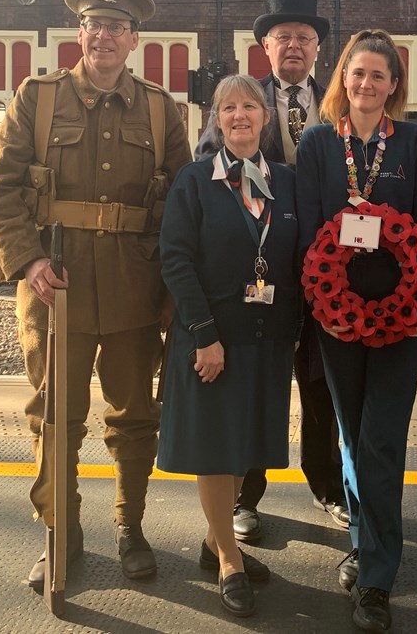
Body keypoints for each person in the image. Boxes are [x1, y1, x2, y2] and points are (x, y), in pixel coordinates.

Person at [0, 0, 191, 591]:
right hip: (55, 287)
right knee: (55, 417)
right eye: (93, 26)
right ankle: (60, 534)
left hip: (133, 287)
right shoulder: (37, 97)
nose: (103, 37)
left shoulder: (159, 108)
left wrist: (173, 288)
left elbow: (181, 201)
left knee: (133, 416)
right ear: (80, 33)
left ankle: (130, 526)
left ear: (133, 40)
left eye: (116, 28)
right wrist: (27, 262)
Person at [295, 30, 417, 632]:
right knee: (353, 438)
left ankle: (377, 579)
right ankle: (364, 539)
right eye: (358, 74)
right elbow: (308, 232)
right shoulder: (316, 145)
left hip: (401, 319)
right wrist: (319, 307)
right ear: (343, 80)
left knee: (382, 438)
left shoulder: (413, 142)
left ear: (394, 85)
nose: (366, 85)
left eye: (379, 75)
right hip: (337, 318)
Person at [193, 0, 348, 542]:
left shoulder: (338, 101)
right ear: (264, 46)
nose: (294, 46)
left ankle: (327, 484)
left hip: (325, 267)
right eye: (283, 37)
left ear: (318, 49)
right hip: (256, 269)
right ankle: (247, 495)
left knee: (320, 383)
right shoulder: (240, 98)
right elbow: (208, 162)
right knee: (255, 379)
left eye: (304, 38)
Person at [158, 75, 302, 618]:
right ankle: (229, 563)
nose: (240, 115)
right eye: (229, 108)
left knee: (242, 445)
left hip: (265, 340)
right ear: (216, 120)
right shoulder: (195, 181)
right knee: (218, 450)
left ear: (266, 118)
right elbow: (175, 259)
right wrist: (204, 335)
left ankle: (218, 539)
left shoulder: (284, 182)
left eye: (250, 106)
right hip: (212, 340)